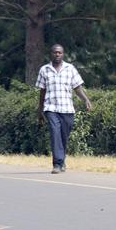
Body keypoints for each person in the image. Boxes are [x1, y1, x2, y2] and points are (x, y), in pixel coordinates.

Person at [36, 44, 91, 174]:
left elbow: (77, 88)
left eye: (59, 52)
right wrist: (40, 109)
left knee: (63, 136)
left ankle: (62, 160)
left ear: (63, 54)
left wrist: (86, 100)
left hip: (67, 108)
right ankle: (57, 164)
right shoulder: (44, 70)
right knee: (55, 133)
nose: (57, 54)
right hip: (51, 108)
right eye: (55, 52)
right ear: (51, 53)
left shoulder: (70, 69)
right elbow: (42, 91)